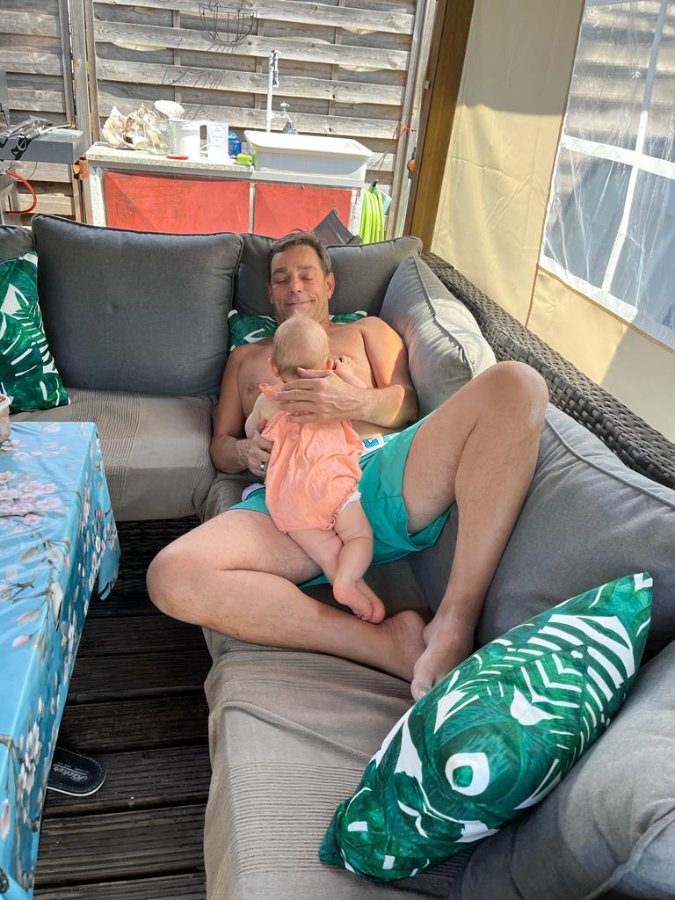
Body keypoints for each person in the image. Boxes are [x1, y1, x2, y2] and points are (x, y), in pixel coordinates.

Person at [147, 231, 549, 700]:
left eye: (306, 274)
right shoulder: (247, 358)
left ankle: (455, 619)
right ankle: (388, 645)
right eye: (281, 278)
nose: (294, 286)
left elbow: (407, 405)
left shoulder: (367, 332)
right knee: (171, 575)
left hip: (379, 471)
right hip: (291, 507)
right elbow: (221, 444)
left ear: (329, 284)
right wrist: (244, 452)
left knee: (517, 383)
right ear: (270, 292)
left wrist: (352, 401)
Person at [245, 315, 385, 623]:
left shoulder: (266, 401)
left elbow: (251, 429)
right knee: (358, 537)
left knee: (328, 552)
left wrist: (256, 433)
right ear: (326, 364)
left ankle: (349, 589)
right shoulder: (332, 392)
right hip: (330, 483)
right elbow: (359, 393)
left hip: (288, 498)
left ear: (273, 367)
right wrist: (345, 373)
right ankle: (349, 580)